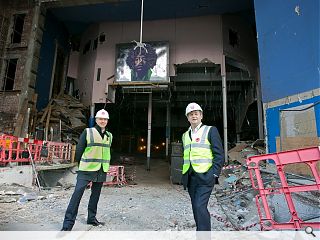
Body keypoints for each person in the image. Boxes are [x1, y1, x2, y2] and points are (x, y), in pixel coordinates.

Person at [61, 109, 113, 231]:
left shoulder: (109, 136)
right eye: (100, 119)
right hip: (86, 169)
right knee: (77, 195)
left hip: (101, 169)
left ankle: (92, 218)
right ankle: (67, 225)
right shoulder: (88, 132)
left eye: (105, 119)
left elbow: (107, 151)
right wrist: (80, 165)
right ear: (96, 120)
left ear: (107, 121)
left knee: (95, 196)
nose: (103, 121)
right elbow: (79, 150)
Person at [181, 102, 225, 231]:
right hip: (190, 177)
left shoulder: (210, 130)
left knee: (200, 206)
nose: (193, 116)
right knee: (196, 207)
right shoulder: (185, 135)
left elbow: (219, 154)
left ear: (201, 116)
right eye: (191, 114)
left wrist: (214, 173)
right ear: (187, 117)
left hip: (206, 176)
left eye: (196, 113)